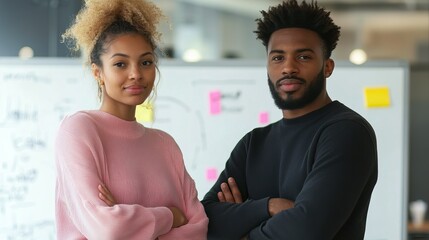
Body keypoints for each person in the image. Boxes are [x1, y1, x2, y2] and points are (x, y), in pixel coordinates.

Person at [201, 0, 378, 239]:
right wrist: (268, 206)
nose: (288, 68)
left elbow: (306, 230)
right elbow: (204, 223)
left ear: (327, 67)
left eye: (303, 57)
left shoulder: (346, 132)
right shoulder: (254, 143)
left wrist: (239, 222)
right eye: (278, 58)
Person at [54, 0, 208, 239]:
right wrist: (170, 216)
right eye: (120, 64)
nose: (136, 74)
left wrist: (131, 221)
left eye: (146, 62)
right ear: (98, 73)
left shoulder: (165, 145)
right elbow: (108, 229)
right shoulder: (79, 130)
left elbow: (198, 229)